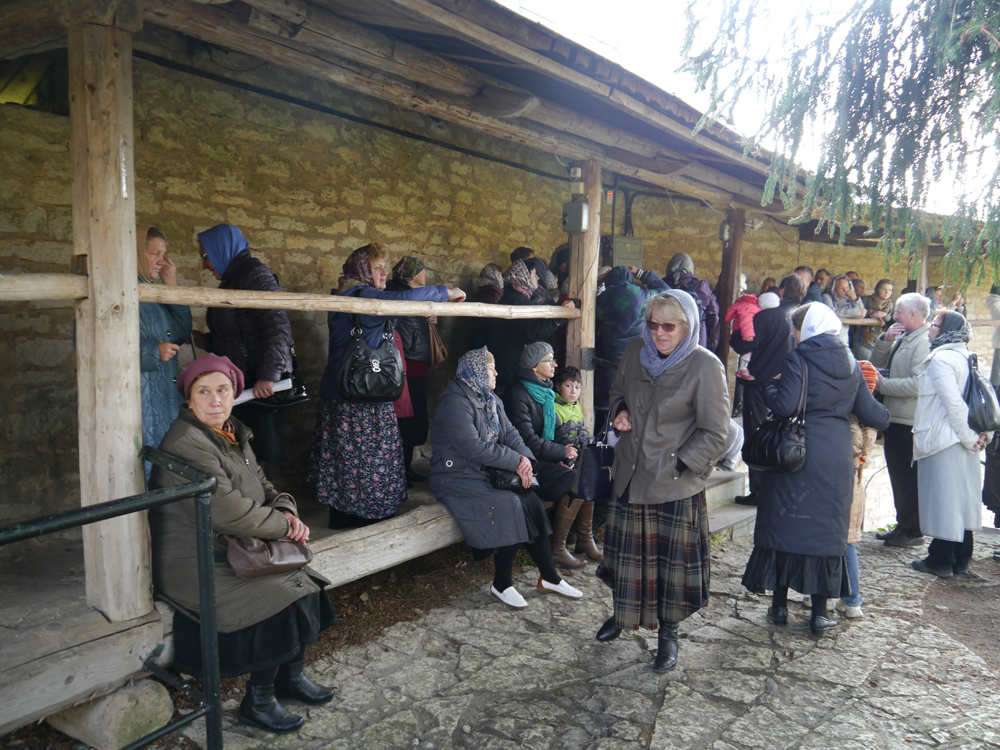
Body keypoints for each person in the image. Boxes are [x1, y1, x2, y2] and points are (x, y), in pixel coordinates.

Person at [149, 355, 335, 734]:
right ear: (189, 400)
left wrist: (287, 510)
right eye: (204, 392)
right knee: (278, 596)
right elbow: (228, 512)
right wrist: (284, 527)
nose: (215, 400)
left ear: (234, 394)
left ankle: (290, 678)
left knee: (305, 583)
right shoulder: (186, 443)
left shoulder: (230, 432)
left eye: (222, 390)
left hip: (230, 547)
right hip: (196, 560)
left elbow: (262, 484)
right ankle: (259, 702)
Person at [596, 290, 729, 673]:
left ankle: (668, 636)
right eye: (653, 324)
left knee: (670, 569)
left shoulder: (705, 366)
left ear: (687, 326)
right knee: (626, 558)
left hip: (673, 484)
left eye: (669, 326)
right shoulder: (635, 350)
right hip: (630, 474)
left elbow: (716, 432)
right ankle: (622, 614)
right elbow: (617, 391)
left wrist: (680, 465)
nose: (659, 333)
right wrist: (621, 412)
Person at [741, 304, 890, 637]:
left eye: (796, 329)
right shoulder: (850, 362)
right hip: (834, 457)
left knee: (784, 526)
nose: (794, 335)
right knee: (825, 533)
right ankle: (820, 615)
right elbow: (873, 414)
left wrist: (768, 386)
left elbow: (784, 406)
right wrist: (888, 413)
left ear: (807, 329)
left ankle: (779, 607)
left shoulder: (799, 358)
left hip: (797, 455)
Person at [311, 243, 465, 528]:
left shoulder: (362, 294)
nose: (383, 273)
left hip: (363, 394)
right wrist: (446, 292)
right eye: (377, 267)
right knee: (360, 464)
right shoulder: (359, 294)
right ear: (362, 270)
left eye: (384, 267)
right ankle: (361, 522)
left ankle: (363, 517)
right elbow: (402, 297)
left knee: (359, 463)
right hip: (355, 399)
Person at [429, 348, 582, 607]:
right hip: (456, 476)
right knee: (508, 503)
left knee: (531, 501)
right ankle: (501, 584)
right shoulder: (455, 402)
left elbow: (511, 435)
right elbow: (473, 447)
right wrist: (515, 461)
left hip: (483, 471)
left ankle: (550, 577)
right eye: (491, 369)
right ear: (477, 372)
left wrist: (525, 460)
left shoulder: (490, 399)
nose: (496, 373)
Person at [193, 224, 294, 465]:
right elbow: (240, 334)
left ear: (222, 250)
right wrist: (208, 341)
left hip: (260, 386)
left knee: (258, 457)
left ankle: (265, 492)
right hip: (245, 382)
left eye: (206, 256)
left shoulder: (254, 275)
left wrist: (268, 375)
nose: (204, 265)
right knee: (245, 455)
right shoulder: (233, 279)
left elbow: (276, 326)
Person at [910, 311, 990, 578]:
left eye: (934, 325)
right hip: (965, 436)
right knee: (961, 501)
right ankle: (960, 558)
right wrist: (977, 436)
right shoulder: (968, 356)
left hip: (945, 438)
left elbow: (953, 404)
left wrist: (969, 438)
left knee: (945, 501)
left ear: (946, 330)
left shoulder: (941, 359)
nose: (930, 329)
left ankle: (940, 559)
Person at [502, 342, 585, 568]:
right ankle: (556, 547)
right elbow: (527, 440)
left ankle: (583, 538)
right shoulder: (518, 395)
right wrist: (560, 453)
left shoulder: (546, 392)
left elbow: (557, 430)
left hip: (544, 456)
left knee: (584, 471)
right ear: (533, 365)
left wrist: (567, 454)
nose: (555, 364)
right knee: (575, 479)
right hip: (526, 461)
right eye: (549, 360)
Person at [729, 274, 807, 505]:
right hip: (793, 387)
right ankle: (780, 490)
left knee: (758, 437)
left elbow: (743, 343)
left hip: (761, 386)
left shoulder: (769, 315)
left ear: (781, 290)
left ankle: (759, 492)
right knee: (788, 437)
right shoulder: (805, 317)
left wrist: (736, 331)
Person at [870, 293, 932, 547]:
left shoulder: (923, 342)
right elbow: (875, 365)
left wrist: (883, 385)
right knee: (898, 475)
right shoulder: (904, 336)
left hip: (908, 420)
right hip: (895, 416)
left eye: (899, 312)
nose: (894, 316)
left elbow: (918, 385)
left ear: (913, 315)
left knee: (907, 477)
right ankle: (903, 524)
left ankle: (913, 530)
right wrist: (885, 341)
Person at [138, 226, 191, 481]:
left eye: (163, 254)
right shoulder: (113, 290)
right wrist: (150, 351)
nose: (162, 261)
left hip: (164, 399)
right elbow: (91, 346)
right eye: (154, 254)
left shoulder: (154, 293)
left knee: (166, 470)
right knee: (141, 470)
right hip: (137, 401)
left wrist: (172, 287)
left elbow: (181, 330)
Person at [385, 255, 437, 482]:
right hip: (406, 367)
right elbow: (393, 329)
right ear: (413, 275)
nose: (425, 274)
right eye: (422, 270)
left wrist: (429, 319)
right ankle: (399, 471)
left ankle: (406, 467)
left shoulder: (414, 296)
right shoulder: (398, 295)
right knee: (403, 420)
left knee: (413, 418)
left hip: (417, 366)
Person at [487, 260, 574, 389]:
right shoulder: (517, 300)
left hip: (506, 361)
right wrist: (560, 317)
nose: (537, 277)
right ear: (524, 276)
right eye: (533, 274)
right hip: (511, 364)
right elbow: (532, 331)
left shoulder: (514, 297)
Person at [840, 359, 881, 619]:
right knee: (848, 544)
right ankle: (851, 600)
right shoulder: (870, 420)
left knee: (842, 544)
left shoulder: (850, 421)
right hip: (856, 489)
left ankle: (845, 598)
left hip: (844, 488)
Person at [553, 365, 603, 561]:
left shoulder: (575, 406)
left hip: (578, 456)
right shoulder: (554, 407)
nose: (573, 392)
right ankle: (558, 545)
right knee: (580, 480)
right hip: (561, 458)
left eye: (577, 387)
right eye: (568, 386)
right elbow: (557, 437)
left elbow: (582, 432)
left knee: (592, 476)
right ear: (558, 386)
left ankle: (585, 537)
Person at [663, 252, 720, 351]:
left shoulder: (663, 285)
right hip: (697, 337)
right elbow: (714, 315)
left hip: (668, 337)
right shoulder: (701, 286)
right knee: (695, 360)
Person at [725, 290, 779, 380]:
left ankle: (743, 369)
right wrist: (748, 334)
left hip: (742, 330)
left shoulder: (752, 305)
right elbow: (746, 321)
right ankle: (742, 370)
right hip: (742, 332)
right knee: (748, 348)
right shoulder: (750, 308)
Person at [854, 279, 894, 360]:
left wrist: (885, 315)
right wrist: (876, 316)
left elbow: (894, 323)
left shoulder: (891, 305)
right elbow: (858, 316)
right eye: (884, 289)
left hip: (881, 342)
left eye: (890, 290)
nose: (887, 292)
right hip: (864, 341)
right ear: (877, 289)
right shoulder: (866, 300)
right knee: (867, 364)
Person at [822, 274, 865, 344]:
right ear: (834, 288)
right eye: (841, 288)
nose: (845, 290)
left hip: (844, 338)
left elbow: (862, 312)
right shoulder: (826, 297)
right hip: (829, 337)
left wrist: (854, 297)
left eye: (847, 287)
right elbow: (833, 312)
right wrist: (856, 312)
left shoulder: (849, 299)